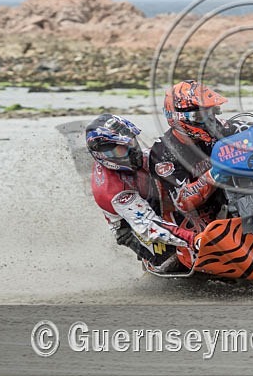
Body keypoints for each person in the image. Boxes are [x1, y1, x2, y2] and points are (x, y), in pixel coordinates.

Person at [85, 113, 195, 271]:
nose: (131, 152)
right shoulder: (112, 190)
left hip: (147, 195)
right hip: (132, 225)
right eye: (120, 151)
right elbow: (148, 226)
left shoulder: (137, 156)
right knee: (170, 262)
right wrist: (194, 239)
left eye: (131, 143)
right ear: (102, 155)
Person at [148, 80, 231, 228]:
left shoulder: (217, 127)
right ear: (179, 118)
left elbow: (247, 131)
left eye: (211, 113)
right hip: (186, 219)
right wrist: (216, 173)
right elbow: (183, 201)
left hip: (221, 199)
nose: (210, 121)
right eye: (201, 117)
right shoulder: (164, 154)